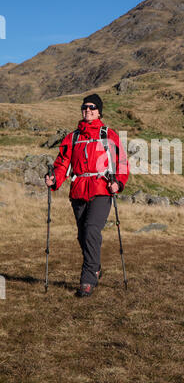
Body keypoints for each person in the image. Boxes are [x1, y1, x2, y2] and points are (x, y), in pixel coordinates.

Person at [45, 94, 129, 297]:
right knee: (83, 235)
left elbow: (122, 162)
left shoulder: (108, 134)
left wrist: (118, 182)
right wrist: (54, 179)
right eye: (85, 107)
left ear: (99, 111)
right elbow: (63, 163)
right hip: (78, 190)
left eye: (92, 107)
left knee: (91, 229)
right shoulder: (73, 137)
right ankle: (96, 266)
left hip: (102, 189)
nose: (88, 110)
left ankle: (88, 279)